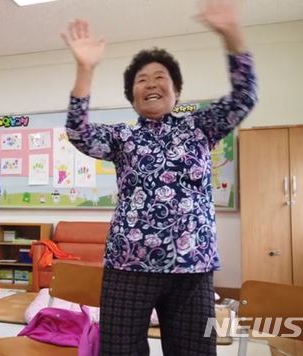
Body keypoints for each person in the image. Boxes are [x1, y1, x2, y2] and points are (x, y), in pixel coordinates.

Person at [60, 0, 257, 355]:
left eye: (160, 77)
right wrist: (84, 68)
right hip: (128, 265)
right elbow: (78, 132)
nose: (150, 83)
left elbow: (244, 97)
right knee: (119, 351)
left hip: (191, 266)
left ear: (176, 91)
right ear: (132, 97)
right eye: (141, 80)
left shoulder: (200, 126)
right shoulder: (123, 137)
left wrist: (231, 33)